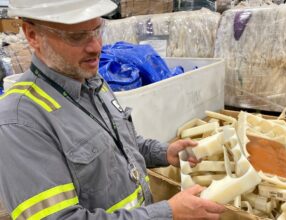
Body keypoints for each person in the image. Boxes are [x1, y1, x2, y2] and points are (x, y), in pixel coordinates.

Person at [0, 0, 225, 219]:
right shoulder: (20, 121)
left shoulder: (91, 81)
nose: (96, 47)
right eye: (77, 36)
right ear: (32, 35)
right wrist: (167, 213)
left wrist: (164, 153)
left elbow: (117, 145)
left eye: (97, 30)